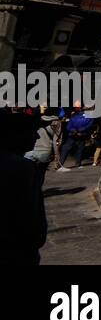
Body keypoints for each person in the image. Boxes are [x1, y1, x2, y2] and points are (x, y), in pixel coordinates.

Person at [0, 109, 47, 266]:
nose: (37, 136)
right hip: (17, 249)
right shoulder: (22, 168)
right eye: (32, 132)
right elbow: (30, 216)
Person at [57, 103, 97, 170]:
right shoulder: (89, 116)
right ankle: (76, 163)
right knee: (79, 149)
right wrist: (79, 131)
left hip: (74, 134)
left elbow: (69, 126)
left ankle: (61, 163)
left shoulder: (75, 115)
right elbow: (89, 125)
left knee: (70, 148)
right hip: (80, 134)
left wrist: (74, 130)